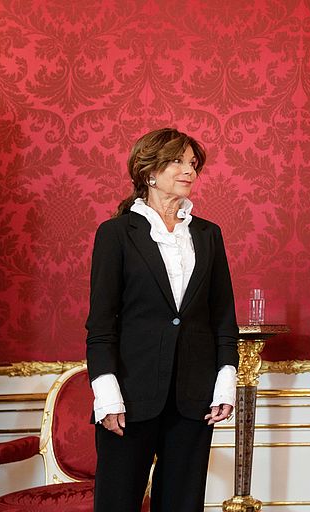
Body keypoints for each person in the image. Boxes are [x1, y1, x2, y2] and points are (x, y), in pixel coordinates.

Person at [86, 128, 240, 511]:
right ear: (148, 171)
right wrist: (107, 396)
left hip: (193, 399)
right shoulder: (116, 234)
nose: (188, 170)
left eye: (192, 163)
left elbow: (223, 318)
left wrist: (224, 385)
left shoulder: (208, 235)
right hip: (128, 399)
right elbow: (101, 326)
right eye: (177, 161)